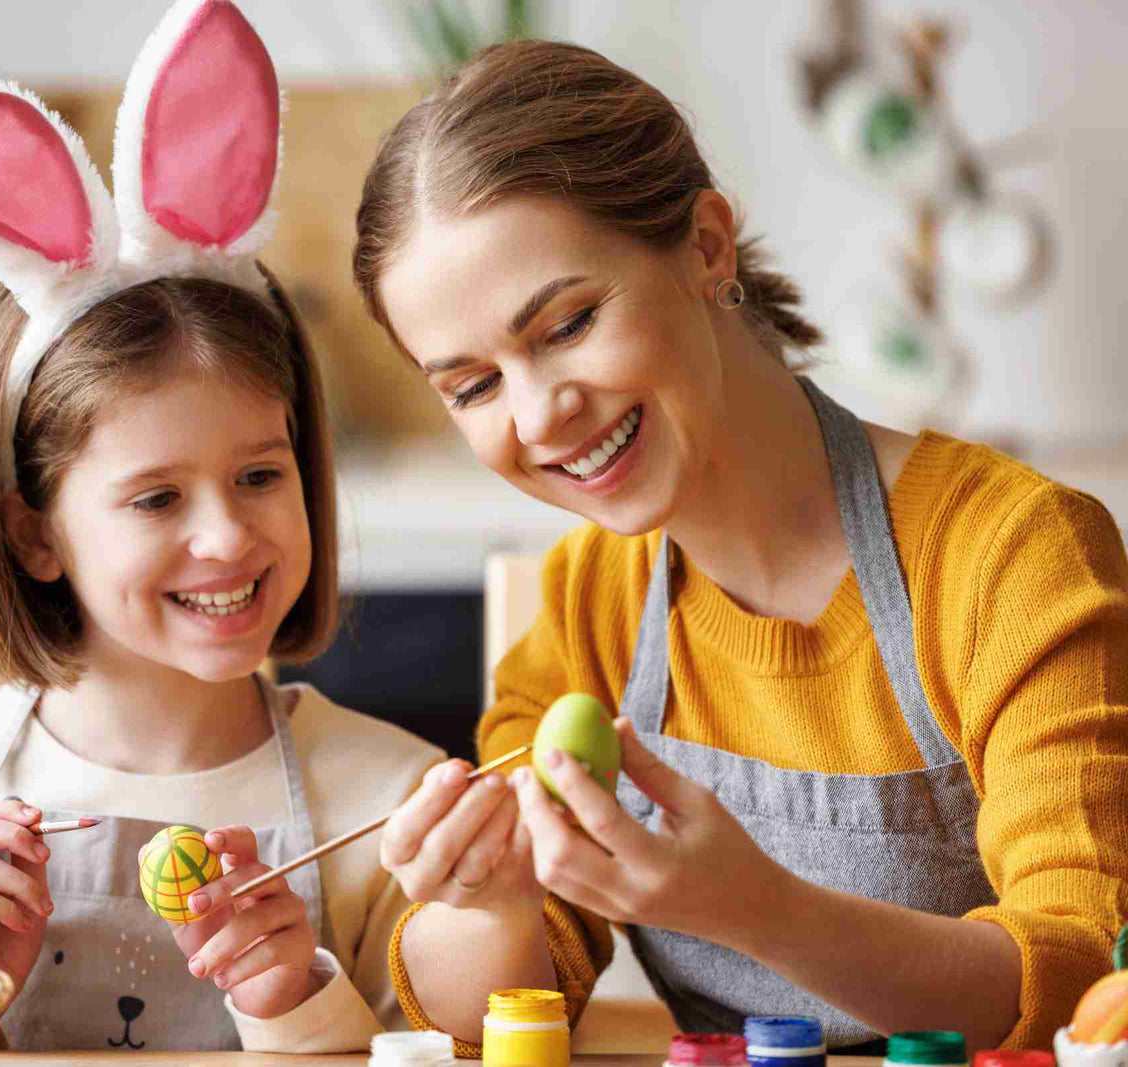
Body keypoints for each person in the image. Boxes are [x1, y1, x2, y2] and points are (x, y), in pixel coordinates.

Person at [352, 38, 1128, 1056]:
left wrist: (760, 906)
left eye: (568, 323)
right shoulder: (590, 602)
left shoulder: (1010, 553)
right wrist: (482, 905)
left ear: (707, 246)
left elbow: (1083, 974)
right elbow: (491, 1011)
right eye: (473, 384)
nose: (538, 415)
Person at [0, 0, 445, 1052]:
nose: (229, 536)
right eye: (155, 497)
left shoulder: (391, 797)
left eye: (260, 473)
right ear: (33, 531)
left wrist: (290, 999)